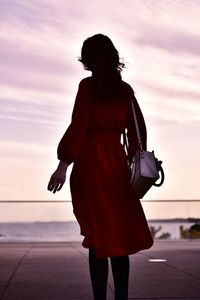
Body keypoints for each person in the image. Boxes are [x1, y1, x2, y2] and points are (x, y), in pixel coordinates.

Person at [47, 33, 153, 300]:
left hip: (91, 164)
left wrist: (63, 164)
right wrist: (130, 159)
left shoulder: (88, 87)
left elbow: (79, 127)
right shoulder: (124, 90)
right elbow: (138, 129)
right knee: (118, 238)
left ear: (89, 58)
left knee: (99, 238)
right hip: (116, 165)